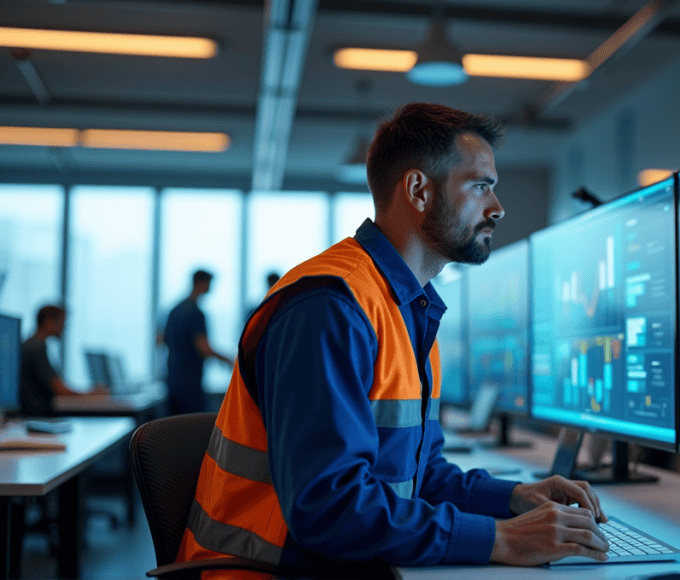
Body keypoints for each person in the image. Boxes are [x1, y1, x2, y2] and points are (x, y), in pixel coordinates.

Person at [180, 103, 611, 578]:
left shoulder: (408, 308)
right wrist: (502, 538)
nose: (497, 207)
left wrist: (512, 498)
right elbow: (329, 510)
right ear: (419, 190)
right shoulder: (331, 308)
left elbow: (416, 474)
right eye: (480, 185)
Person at [162, 269, 232, 414]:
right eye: (209, 284)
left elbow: (161, 340)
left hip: (172, 379)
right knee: (194, 429)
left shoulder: (174, 310)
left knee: (175, 428)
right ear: (202, 283)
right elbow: (203, 348)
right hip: (190, 383)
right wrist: (228, 360)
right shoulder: (195, 313)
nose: (211, 288)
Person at [19, 304, 107, 416]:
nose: (64, 328)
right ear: (48, 322)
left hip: (37, 416)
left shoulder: (31, 344)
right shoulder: (36, 348)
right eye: (62, 323)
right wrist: (91, 394)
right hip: (39, 416)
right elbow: (61, 391)